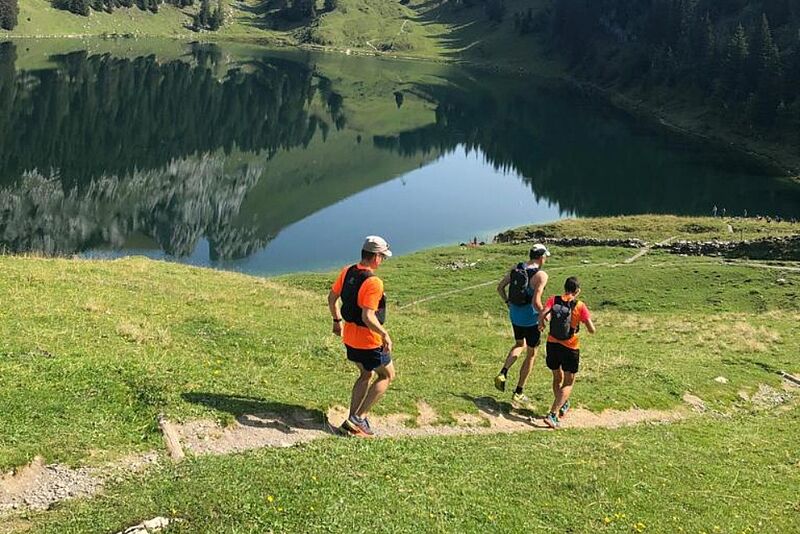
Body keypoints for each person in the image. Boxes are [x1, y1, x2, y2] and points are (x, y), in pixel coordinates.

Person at [328, 236, 395, 437]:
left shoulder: (347, 271)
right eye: (382, 256)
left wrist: (336, 321)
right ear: (375, 256)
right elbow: (368, 316)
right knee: (387, 375)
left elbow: (332, 298)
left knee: (365, 374)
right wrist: (384, 334)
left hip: (349, 337)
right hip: (369, 341)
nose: (383, 260)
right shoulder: (373, 282)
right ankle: (358, 419)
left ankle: (352, 418)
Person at [494, 244, 550, 409]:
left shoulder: (517, 268)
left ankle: (503, 372)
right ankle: (518, 392)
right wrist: (545, 315)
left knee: (519, 344)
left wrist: (508, 303)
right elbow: (536, 302)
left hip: (515, 315)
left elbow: (500, 287)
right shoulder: (541, 275)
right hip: (530, 320)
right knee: (531, 354)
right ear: (541, 258)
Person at [538, 276, 596, 429]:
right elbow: (592, 330)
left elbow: (543, 313)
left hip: (552, 343)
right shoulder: (580, 305)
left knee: (557, 377)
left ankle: (562, 403)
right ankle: (553, 414)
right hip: (570, 347)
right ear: (577, 291)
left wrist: (541, 324)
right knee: (569, 381)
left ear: (564, 287)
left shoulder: (553, 299)